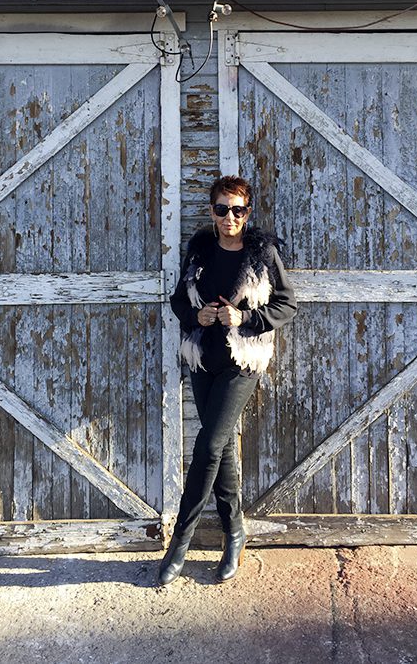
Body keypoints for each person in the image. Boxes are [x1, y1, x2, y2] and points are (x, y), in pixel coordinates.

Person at [159, 175, 297, 585]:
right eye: (222, 209)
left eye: (238, 210)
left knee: (210, 443)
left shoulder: (262, 254)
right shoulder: (200, 249)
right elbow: (179, 299)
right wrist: (193, 315)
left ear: (248, 212)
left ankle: (179, 542)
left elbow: (287, 304)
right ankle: (234, 533)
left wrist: (246, 318)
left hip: (242, 361)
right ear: (212, 212)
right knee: (221, 450)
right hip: (203, 359)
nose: (229, 217)